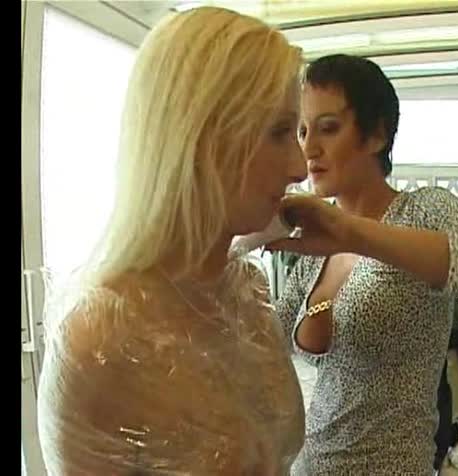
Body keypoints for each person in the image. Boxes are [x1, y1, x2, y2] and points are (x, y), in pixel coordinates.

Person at [36, 7, 307, 475]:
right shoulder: (99, 340)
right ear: (201, 135)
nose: (300, 168)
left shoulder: (247, 291)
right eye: (280, 133)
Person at [271, 54, 458, 475]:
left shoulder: (422, 211)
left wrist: (354, 233)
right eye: (303, 131)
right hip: (311, 465)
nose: (309, 148)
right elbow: (270, 338)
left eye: (328, 128)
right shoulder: (317, 247)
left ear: (376, 134)